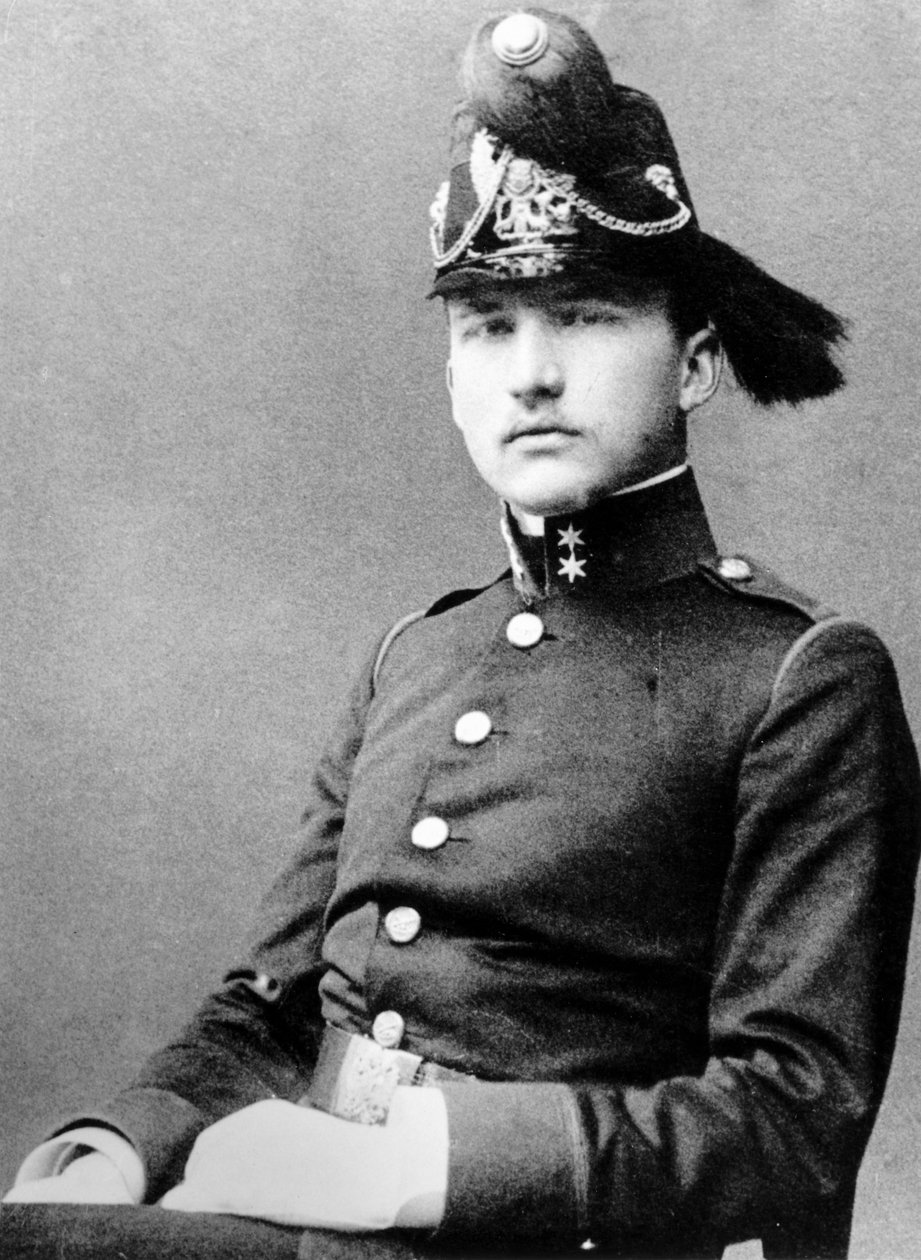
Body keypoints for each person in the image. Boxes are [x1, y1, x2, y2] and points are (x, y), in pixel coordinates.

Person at [4, 8, 920, 1258]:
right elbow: (265, 1013)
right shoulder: (415, 658)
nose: (530, 372)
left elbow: (791, 1119)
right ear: (450, 380)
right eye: (489, 326)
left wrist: (405, 1170)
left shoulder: (795, 677)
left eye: (586, 315)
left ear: (696, 363)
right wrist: (110, 1152)